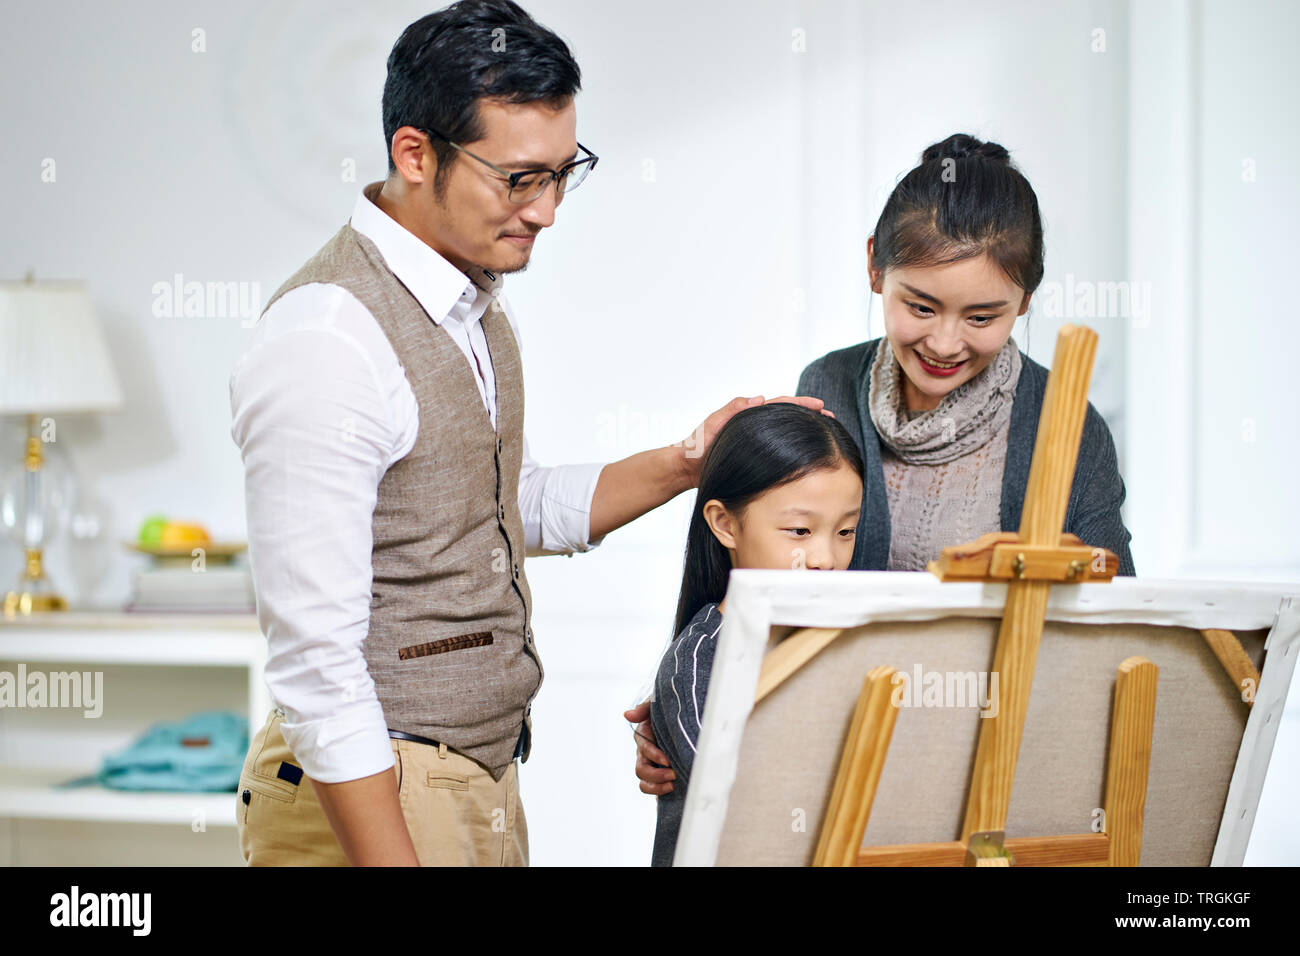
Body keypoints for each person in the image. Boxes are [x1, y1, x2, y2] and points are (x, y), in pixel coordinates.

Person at [230, 0, 829, 866]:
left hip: (473, 779)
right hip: (375, 791)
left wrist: (686, 461)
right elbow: (316, 663)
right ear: (414, 154)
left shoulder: (469, 306)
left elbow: (499, 508)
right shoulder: (328, 338)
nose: (545, 210)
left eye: (560, 172)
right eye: (519, 179)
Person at [627, 132, 1136, 803]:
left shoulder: (1065, 424)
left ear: (1028, 299)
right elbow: (770, 563)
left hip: (991, 765)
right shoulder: (831, 384)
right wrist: (688, 703)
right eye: (919, 306)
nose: (946, 342)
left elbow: (1115, 624)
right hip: (838, 757)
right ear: (875, 268)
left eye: (983, 316)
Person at [648, 403, 864, 865]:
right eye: (800, 531)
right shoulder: (698, 662)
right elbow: (742, 800)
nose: (826, 557)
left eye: (846, 531)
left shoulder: (848, 644)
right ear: (725, 524)